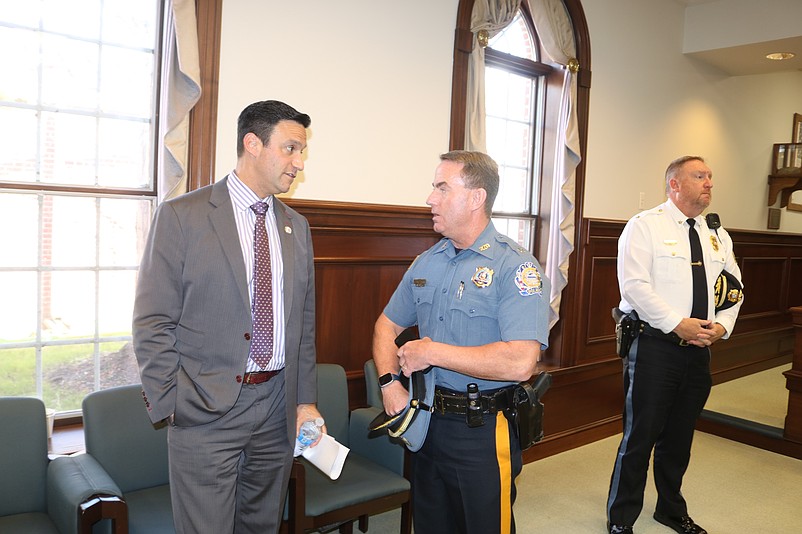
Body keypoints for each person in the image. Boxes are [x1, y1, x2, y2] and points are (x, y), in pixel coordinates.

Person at [133, 100, 322, 534]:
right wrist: (174, 400)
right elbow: (151, 321)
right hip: (205, 408)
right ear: (252, 143)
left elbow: (303, 325)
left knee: (262, 525)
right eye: (291, 149)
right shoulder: (183, 216)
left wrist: (304, 401)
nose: (299, 163)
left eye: (302, 152)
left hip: (276, 407)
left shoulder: (297, 226)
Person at [372, 150, 551, 534]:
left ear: (476, 198)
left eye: (441, 188)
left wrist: (431, 351)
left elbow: (521, 362)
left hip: (483, 429)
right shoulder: (426, 262)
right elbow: (385, 326)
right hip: (427, 421)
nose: (429, 198)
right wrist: (390, 385)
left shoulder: (516, 267)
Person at [606, 156, 744, 534]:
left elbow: (734, 289)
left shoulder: (716, 233)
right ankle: (621, 519)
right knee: (639, 439)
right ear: (674, 185)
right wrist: (677, 324)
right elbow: (634, 286)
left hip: (699, 350)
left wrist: (722, 327)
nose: (709, 183)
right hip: (654, 347)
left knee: (679, 438)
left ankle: (670, 510)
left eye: (711, 176)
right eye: (700, 176)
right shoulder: (645, 226)